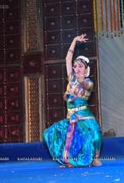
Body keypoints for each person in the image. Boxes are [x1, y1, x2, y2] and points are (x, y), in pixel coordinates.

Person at [43, 34, 102, 167]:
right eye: (75, 66)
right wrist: (74, 40)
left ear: (86, 69)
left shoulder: (89, 82)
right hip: (71, 115)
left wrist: (81, 81)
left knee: (96, 136)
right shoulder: (71, 79)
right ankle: (68, 159)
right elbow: (67, 58)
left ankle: (94, 157)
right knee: (56, 135)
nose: (76, 68)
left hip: (84, 115)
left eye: (80, 66)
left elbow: (86, 86)